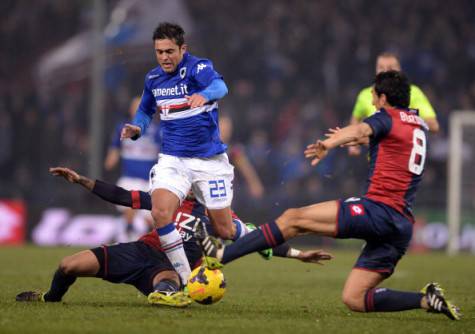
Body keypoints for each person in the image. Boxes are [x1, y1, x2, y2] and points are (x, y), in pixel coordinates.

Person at [199, 71, 461, 320]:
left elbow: (360, 130)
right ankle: (426, 300)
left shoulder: (386, 117)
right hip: (400, 226)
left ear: (383, 99)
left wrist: (328, 144)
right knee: (355, 299)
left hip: (378, 211)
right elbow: (385, 144)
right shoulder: (416, 124)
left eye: (373, 95)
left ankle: (222, 257)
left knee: (293, 218)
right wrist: (354, 139)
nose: (371, 100)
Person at [16, 167, 332, 307]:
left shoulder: (222, 218)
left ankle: (169, 292)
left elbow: (260, 238)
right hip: (139, 252)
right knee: (68, 265)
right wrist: (82, 181)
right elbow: (125, 196)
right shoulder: (169, 200)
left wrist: (297, 255)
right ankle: (49, 298)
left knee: (166, 285)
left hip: (167, 267)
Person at [120, 22, 238, 287]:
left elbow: (221, 88)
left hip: (209, 161)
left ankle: (252, 232)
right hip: (173, 159)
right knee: (161, 214)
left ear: (183, 49)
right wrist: (137, 128)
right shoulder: (153, 79)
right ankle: (186, 280)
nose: (164, 57)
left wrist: (204, 95)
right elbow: (144, 111)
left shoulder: (198, 68)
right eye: (159, 52)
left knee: (225, 229)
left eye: (169, 51)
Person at [348, 52, 439, 156]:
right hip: (377, 164)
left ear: (399, 70)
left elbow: (433, 126)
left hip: (404, 163)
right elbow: (355, 120)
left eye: (390, 67)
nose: (386, 72)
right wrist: (353, 143)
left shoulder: (413, 92)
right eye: (381, 68)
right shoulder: (365, 95)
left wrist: (407, 120)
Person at [104, 96, 161, 241]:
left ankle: (149, 241)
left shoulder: (157, 130)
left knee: (152, 218)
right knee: (128, 207)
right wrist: (111, 160)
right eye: (134, 107)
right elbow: (115, 148)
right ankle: (128, 235)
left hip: (149, 180)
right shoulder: (122, 128)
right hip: (129, 177)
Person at [219, 114, 264, 199]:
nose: (226, 132)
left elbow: (245, 167)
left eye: (228, 129)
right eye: (223, 129)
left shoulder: (233, 150)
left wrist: (254, 183)